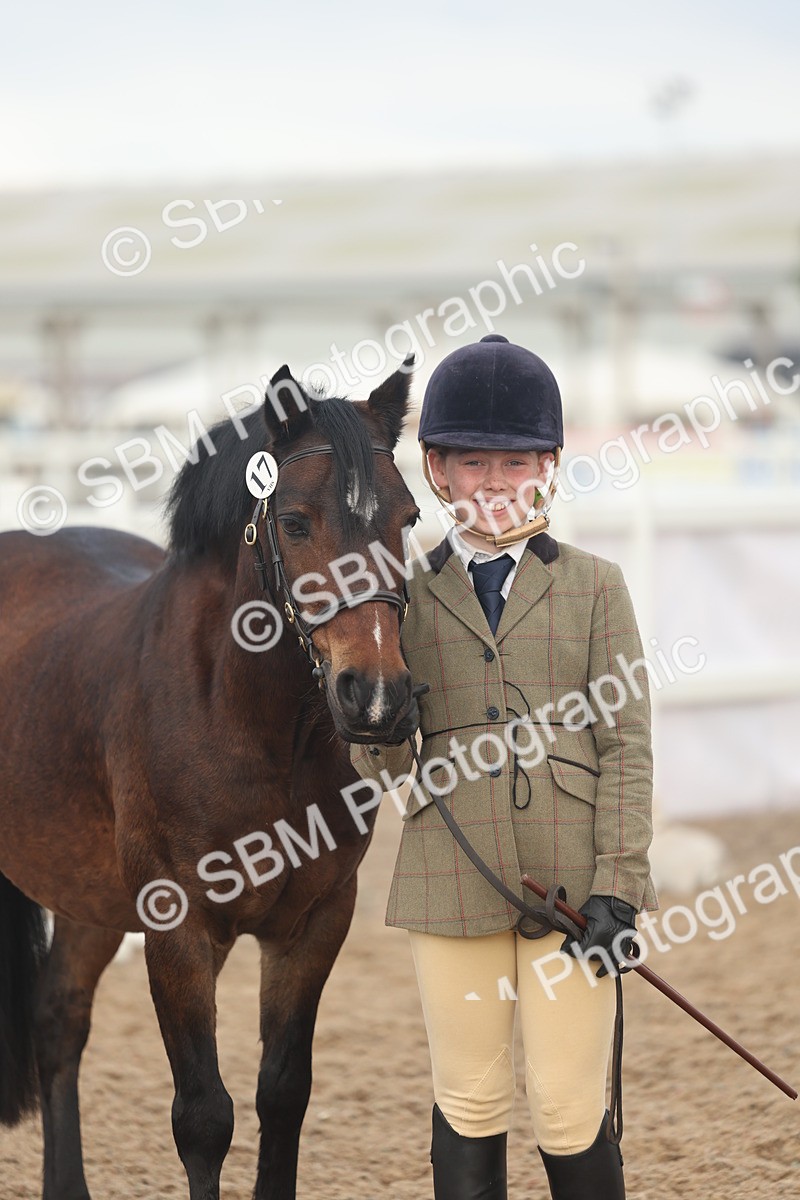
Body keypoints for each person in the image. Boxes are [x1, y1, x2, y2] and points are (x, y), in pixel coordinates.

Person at [349, 333, 657, 1200]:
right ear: (438, 472)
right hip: (451, 877)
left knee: (566, 1106)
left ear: (547, 466)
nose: (493, 481)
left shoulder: (597, 587)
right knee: (469, 1100)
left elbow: (627, 746)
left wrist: (619, 887)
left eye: (513, 461)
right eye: (472, 462)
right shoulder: (403, 593)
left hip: (573, 886)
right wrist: (380, 723)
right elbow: (385, 768)